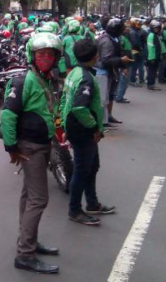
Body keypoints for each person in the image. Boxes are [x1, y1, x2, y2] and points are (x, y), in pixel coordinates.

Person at [0, 32, 62, 274]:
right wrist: (11, 147)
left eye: (50, 54)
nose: (46, 58)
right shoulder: (23, 80)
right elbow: (7, 115)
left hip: (42, 143)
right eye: (41, 54)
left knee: (28, 195)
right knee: (39, 199)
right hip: (30, 147)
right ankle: (25, 253)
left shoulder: (46, 78)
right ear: (32, 56)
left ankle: (30, 240)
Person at [61, 39, 115, 227]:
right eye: (97, 54)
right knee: (82, 170)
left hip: (77, 127)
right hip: (83, 130)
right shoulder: (85, 78)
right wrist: (94, 128)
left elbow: (64, 102)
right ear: (94, 57)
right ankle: (74, 210)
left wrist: (65, 126)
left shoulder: (74, 73)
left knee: (92, 166)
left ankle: (92, 203)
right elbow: (79, 108)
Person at [95, 19, 131, 128]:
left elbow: (117, 53)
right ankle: (100, 123)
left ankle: (105, 119)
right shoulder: (107, 41)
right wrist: (121, 61)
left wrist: (122, 64)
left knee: (107, 97)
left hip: (108, 71)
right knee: (102, 98)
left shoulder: (113, 39)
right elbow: (106, 59)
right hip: (101, 72)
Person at [115, 23, 133, 104]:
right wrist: (124, 66)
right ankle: (119, 97)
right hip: (124, 63)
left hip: (127, 62)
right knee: (123, 81)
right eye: (125, 28)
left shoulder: (125, 37)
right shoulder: (121, 38)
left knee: (122, 80)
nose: (127, 29)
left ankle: (118, 95)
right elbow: (121, 52)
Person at [145, 20, 163, 91]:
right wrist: (152, 58)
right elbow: (150, 47)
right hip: (152, 57)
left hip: (156, 56)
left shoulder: (156, 35)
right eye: (155, 28)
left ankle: (151, 84)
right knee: (152, 71)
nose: (156, 29)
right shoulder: (151, 35)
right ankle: (151, 84)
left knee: (153, 71)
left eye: (158, 28)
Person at [128, 18, 146, 86]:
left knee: (138, 66)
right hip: (135, 50)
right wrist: (140, 48)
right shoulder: (133, 32)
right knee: (135, 66)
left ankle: (138, 79)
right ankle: (133, 80)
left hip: (136, 50)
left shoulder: (137, 31)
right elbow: (135, 43)